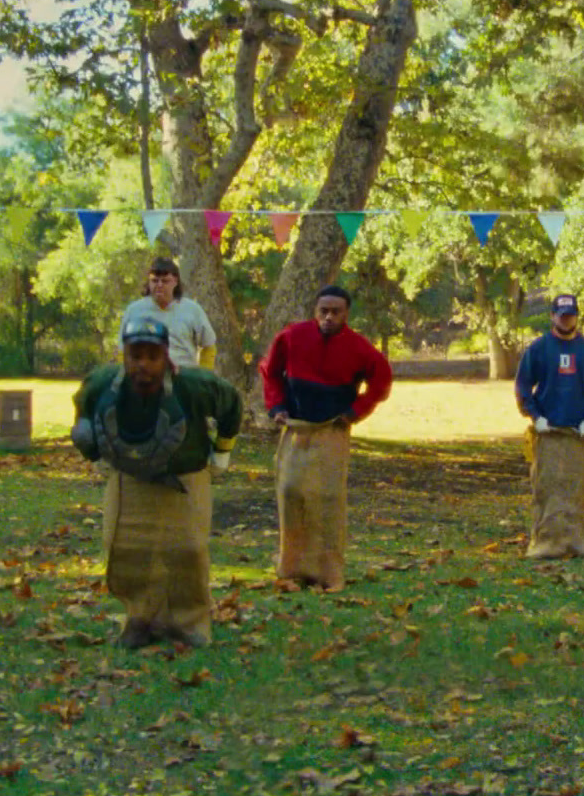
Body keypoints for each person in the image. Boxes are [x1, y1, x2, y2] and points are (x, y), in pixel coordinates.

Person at [71, 317, 241, 649]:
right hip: (130, 477)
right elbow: (82, 407)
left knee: (188, 551)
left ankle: (189, 622)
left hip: (185, 474)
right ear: (124, 355)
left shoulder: (194, 385)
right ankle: (140, 618)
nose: (143, 365)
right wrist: (91, 444)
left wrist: (222, 452)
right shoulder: (103, 384)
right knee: (126, 549)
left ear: (167, 356)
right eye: (135, 355)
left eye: (152, 356)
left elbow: (232, 405)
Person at [259, 285, 393, 591]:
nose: (329, 317)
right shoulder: (292, 336)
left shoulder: (360, 347)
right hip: (295, 428)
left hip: (332, 430)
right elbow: (270, 371)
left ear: (346, 314)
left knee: (327, 499)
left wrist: (356, 410)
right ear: (314, 311)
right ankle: (291, 568)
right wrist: (276, 406)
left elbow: (381, 382)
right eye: (324, 311)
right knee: (291, 492)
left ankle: (327, 573)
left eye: (336, 312)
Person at [513, 294, 584, 559]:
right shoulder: (539, 349)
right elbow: (523, 385)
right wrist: (535, 416)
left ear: (576, 316)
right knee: (546, 486)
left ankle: (575, 539)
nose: (566, 319)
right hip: (548, 431)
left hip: (577, 433)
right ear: (552, 316)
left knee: (576, 486)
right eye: (561, 314)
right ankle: (544, 540)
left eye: (570, 315)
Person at [118, 257, 217, 372]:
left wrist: (204, 375)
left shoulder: (192, 310)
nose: (159, 285)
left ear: (175, 282)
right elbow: (123, 349)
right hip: (145, 378)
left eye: (165, 281)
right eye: (154, 281)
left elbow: (209, 345)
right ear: (149, 283)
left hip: (183, 376)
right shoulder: (134, 311)